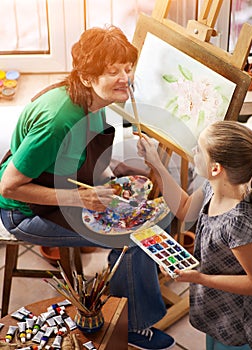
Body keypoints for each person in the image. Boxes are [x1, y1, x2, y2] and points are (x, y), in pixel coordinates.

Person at [0, 26, 175, 350]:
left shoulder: (93, 100)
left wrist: (114, 171)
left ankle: (124, 289)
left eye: (127, 68)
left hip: (61, 188)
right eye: (113, 71)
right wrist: (79, 197)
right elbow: (8, 188)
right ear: (85, 77)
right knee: (135, 238)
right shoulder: (58, 120)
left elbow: (78, 156)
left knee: (140, 213)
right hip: (24, 211)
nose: (126, 77)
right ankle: (133, 326)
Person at [137, 120, 252, 350]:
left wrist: (200, 278)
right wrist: (156, 164)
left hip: (235, 315)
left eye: (199, 149)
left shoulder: (238, 223)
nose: (193, 152)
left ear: (216, 168)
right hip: (215, 303)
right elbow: (184, 208)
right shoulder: (211, 187)